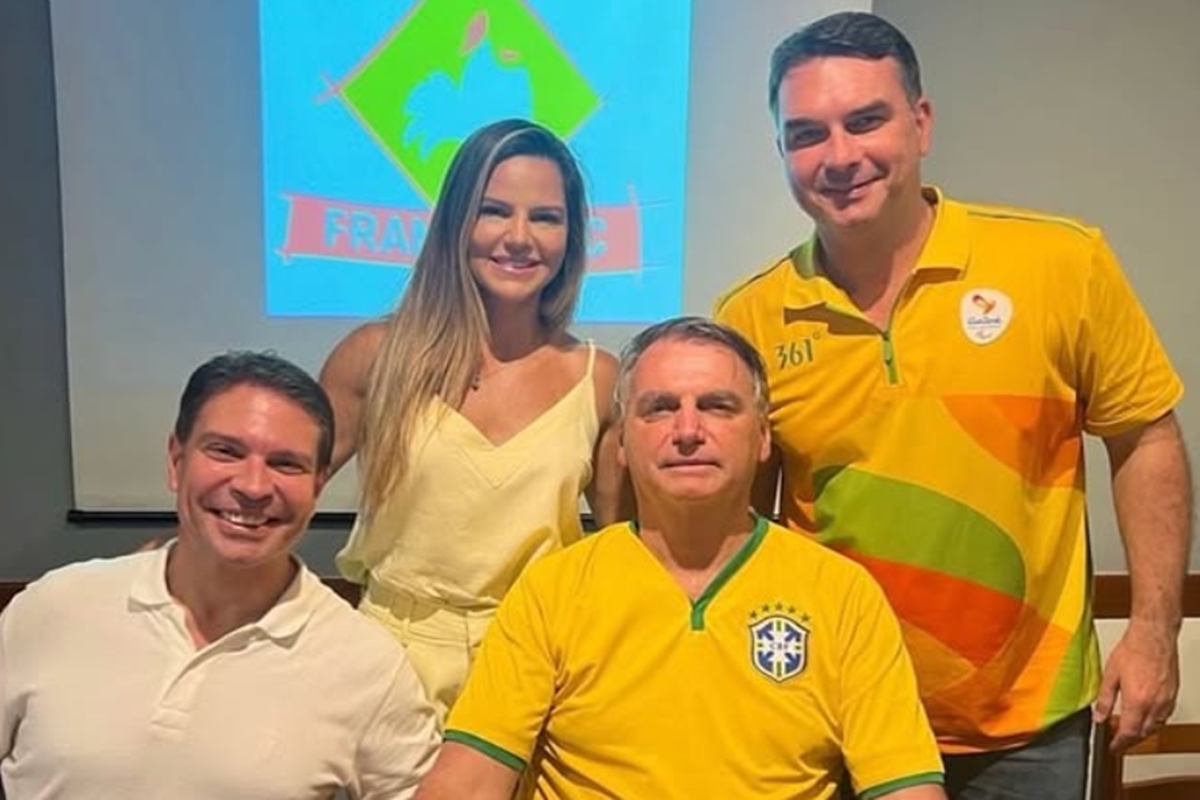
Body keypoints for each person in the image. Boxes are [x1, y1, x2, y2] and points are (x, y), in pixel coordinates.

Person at [714, 11, 1193, 799]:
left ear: (922, 122)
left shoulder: (1059, 264)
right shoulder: (750, 319)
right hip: (835, 719)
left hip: (1029, 728)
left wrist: (1152, 632)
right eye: (806, 134)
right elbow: (743, 530)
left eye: (865, 121)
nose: (839, 156)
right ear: (781, 152)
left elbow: (1147, 440)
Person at [414, 317, 946, 800]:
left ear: (763, 436)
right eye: (660, 408)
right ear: (622, 443)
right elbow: (466, 783)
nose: (688, 431)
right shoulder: (552, 590)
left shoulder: (841, 594)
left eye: (717, 406)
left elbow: (905, 789)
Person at [0, 351, 439, 800]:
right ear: (176, 461)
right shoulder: (51, 609)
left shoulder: (366, 663)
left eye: (286, 463)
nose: (253, 486)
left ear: (318, 484)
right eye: (226, 451)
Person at [320, 118, 625, 720]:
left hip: (537, 662)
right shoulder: (375, 357)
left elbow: (625, 553)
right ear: (456, 221)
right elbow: (279, 486)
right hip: (388, 661)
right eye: (494, 211)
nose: (520, 237)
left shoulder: (600, 380)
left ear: (571, 237)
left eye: (545, 217)